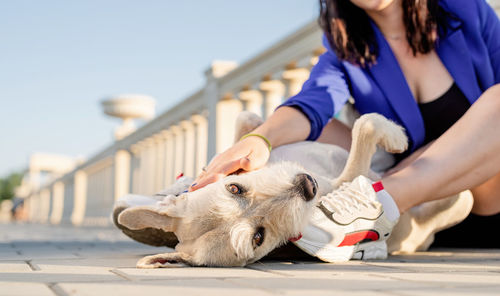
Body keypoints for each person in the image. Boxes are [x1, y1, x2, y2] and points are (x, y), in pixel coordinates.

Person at [190, 0, 500, 260]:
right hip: (419, 214)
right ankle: (241, 205)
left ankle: (374, 204)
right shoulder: (348, 45)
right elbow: (314, 102)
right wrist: (261, 139)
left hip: (486, 200)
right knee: (307, 129)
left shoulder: (465, 11)